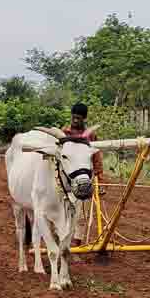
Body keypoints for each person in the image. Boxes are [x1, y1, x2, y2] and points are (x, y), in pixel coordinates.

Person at [63, 103, 104, 244]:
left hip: (85, 178)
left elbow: (96, 156)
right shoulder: (64, 133)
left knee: (82, 213)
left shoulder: (90, 136)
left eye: (78, 118)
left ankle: (77, 242)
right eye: (73, 118)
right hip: (68, 179)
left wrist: (100, 177)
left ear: (84, 119)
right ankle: (65, 240)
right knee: (66, 211)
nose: (75, 121)